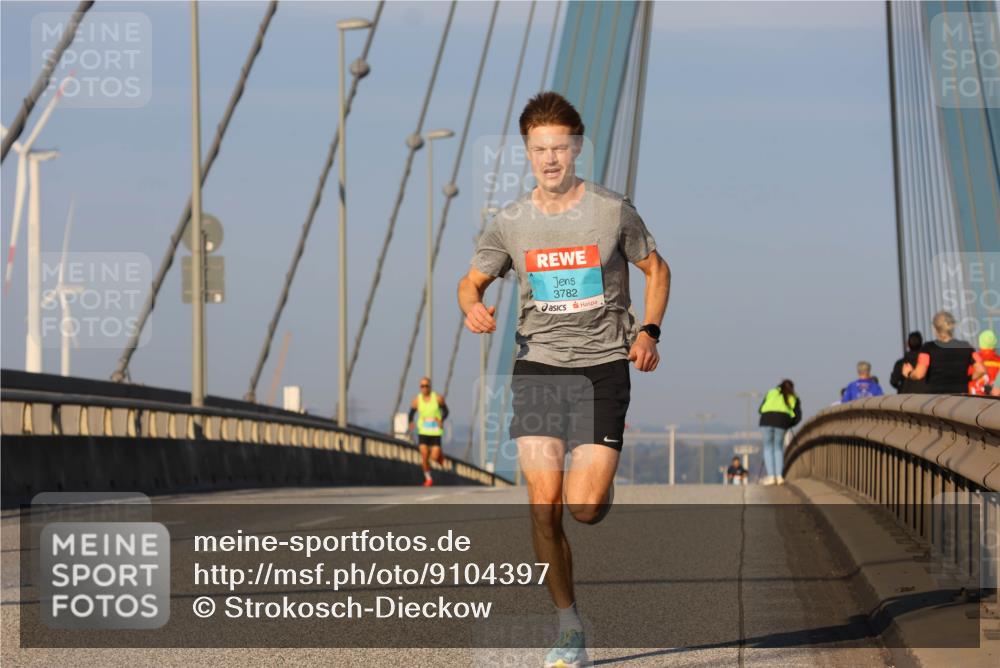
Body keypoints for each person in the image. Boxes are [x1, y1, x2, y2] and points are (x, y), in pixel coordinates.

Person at [458, 91, 670, 668]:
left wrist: (648, 330)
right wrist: (471, 304)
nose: (549, 159)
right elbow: (470, 281)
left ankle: (597, 480)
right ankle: (569, 626)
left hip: (604, 367)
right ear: (527, 151)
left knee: (583, 506)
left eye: (559, 148)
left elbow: (657, 268)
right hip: (539, 368)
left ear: (576, 149)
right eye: (538, 149)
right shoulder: (510, 223)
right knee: (543, 505)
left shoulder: (611, 211)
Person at [901, 311, 985, 393]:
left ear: (934, 328)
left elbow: (919, 374)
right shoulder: (966, 347)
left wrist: (909, 373)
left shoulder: (927, 348)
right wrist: (965, 379)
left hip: (936, 398)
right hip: (960, 398)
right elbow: (981, 370)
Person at [758, 380, 801, 485]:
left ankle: (771, 477)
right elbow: (797, 416)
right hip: (782, 421)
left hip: (766, 419)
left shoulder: (771, 392)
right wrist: (789, 424)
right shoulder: (793, 397)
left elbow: (760, 409)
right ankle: (779, 476)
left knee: (768, 448)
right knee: (778, 449)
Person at [408, 377, 449, 487]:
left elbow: (446, 411)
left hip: (435, 432)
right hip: (423, 431)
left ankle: (439, 455)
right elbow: (411, 413)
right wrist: (411, 422)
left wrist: (441, 419)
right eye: (422, 386)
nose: (424, 388)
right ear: (420, 387)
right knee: (424, 455)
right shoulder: (417, 400)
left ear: (430, 387)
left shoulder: (438, 398)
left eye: (426, 386)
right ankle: (428, 478)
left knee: (434, 458)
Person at [969, 329, 1000, 395]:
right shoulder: (998, 361)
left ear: (980, 342)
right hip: (995, 400)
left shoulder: (973, 359)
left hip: (974, 398)